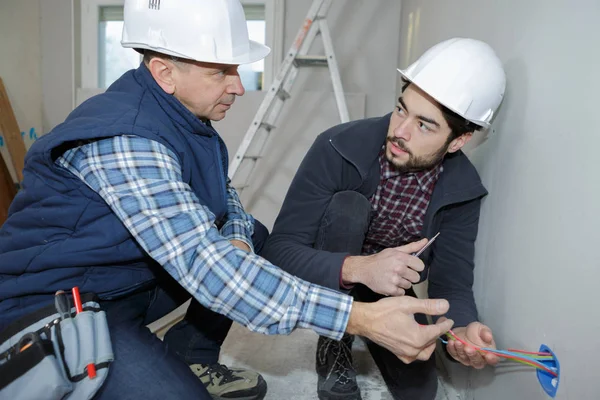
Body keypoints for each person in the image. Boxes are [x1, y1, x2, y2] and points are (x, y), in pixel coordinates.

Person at [0, 1, 455, 399]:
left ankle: (190, 354)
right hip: (56, 304)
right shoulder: (127, 139)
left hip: (119, 281)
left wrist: (236, 243)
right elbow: (204, 266)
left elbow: (227, 199)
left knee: (249, 236)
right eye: (221, 71)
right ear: (164, 72)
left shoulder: (184, 116)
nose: (237, 86)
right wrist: (358, 318)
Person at [260, 37, 507, 400]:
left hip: (389, 286)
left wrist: (463, 331)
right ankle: (334, 341)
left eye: (424, 125)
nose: (401, 131)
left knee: (420, 390)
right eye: (401, 109)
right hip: (330, 270)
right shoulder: (337, 147)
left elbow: (451, 282)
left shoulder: (462, 190)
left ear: (458, 141)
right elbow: (278, 252)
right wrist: (359, 269)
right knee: (349, 207)